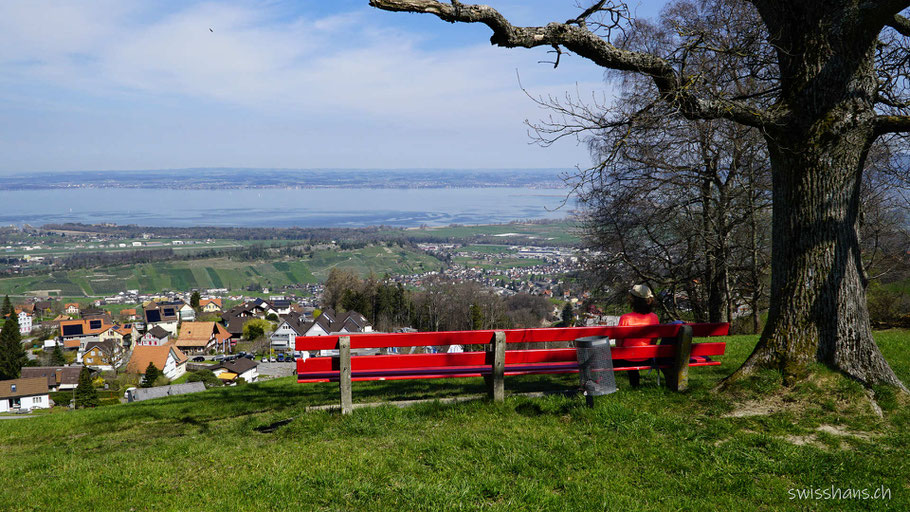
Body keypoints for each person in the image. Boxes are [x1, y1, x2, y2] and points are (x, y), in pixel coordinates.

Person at [617, 283, 659, 387]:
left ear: (633, 301)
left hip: (627, 358)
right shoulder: (654, 317)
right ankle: (635, 385)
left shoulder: (625, 318)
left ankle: (634, 384)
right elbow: (654, 341)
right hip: (646, 357)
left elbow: (619, 343)